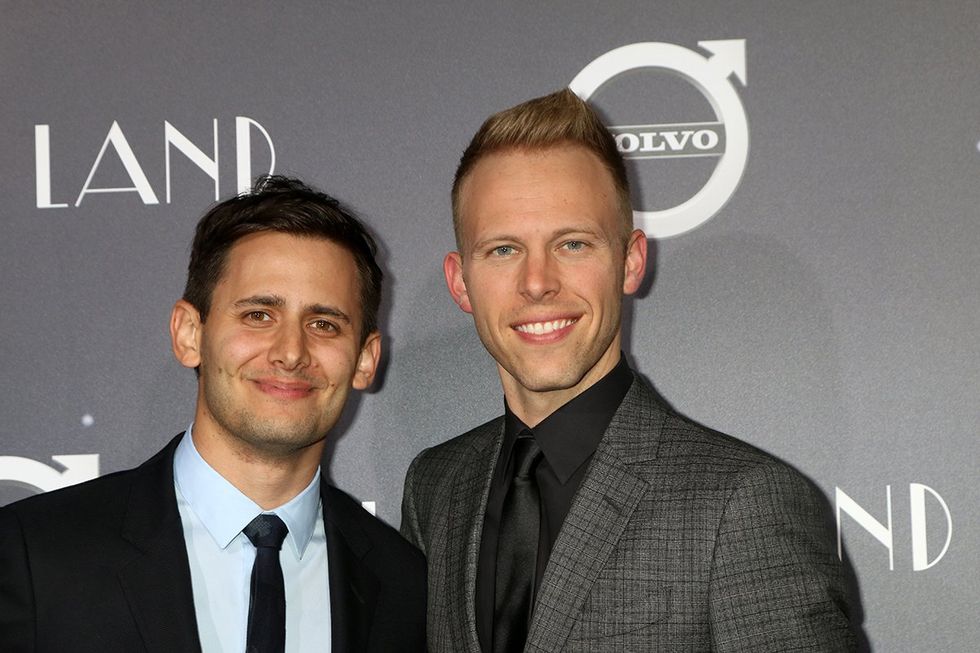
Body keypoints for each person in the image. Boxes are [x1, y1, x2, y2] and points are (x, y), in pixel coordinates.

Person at [401, 89, 856, 652]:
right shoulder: (435, 486)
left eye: (572, 243)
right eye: (502, 250)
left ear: (631, 261)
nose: (538, 282)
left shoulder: (745, 504)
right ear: (460, 281)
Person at [0, 176, 425, 652]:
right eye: (258, 315)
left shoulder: (407, 589)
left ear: (365, 359)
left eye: (323, 324)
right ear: (189, 334)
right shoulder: (33, 556)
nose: (290, 353)